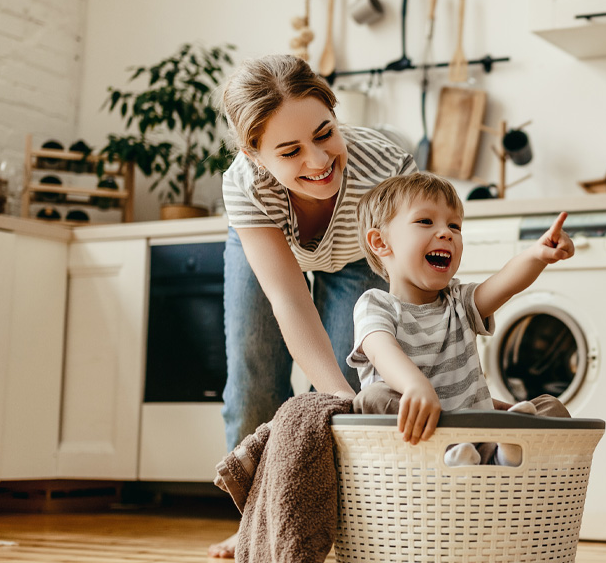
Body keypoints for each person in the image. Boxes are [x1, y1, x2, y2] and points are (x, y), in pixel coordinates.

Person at [208, 54, 415, 558]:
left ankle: (346, 526)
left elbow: (409, 280)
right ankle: (257, 521)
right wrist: (338, 399)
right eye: (291, 151)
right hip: (272, 244)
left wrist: (354, 398)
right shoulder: (245, 185)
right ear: (256, 156)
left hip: (359, 255)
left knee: (356, 383)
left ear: (335, 113)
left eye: (325, 134)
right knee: (255, 376)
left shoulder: (386, 167)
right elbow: (288, 299)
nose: (319, 161)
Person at [348, 173, 574, 466]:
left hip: (479, 432)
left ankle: (502, 456)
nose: (446, 233)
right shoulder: (375, 305)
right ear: (380, 242)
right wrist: (416, 386)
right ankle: (454, 457)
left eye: (454, 225)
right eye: (425, 222)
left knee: (551, 408)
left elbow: (505, 283)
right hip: (418, 440)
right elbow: (381, 350)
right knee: (372, 399)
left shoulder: (459, 302)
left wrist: (537, 255)